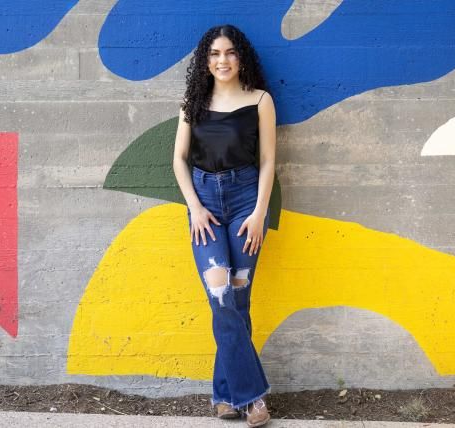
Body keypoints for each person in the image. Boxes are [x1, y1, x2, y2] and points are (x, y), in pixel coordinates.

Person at [172, 24, 276, 428]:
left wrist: (260, 212)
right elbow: (179, 159)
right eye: (215, 53)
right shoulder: (193, 102)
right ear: (205, 61)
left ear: (241, 57)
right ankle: (253, 397)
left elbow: (267, 160)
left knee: (238, 299)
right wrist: (195, 207)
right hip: (206, 206)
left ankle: (224, 395)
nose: (223, 60)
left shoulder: (260, 100)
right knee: (221, 297)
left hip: (247, 201)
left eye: (230, 52)